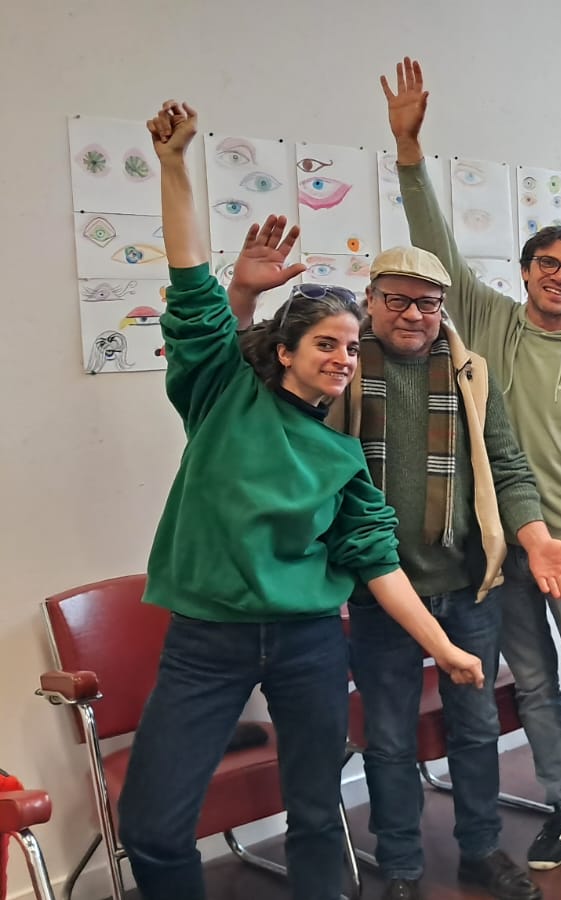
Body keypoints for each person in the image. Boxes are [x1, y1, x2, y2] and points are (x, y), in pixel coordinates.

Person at [117, 101, 482, 900]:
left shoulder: (342, 457)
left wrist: (445, 650)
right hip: (206, 642)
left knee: (317, 814)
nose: (344, 358)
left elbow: (379, 565)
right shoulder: (222, 399)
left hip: (309, 642)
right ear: (284, 351)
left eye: (352, 347)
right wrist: (174, 166)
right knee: (152, 826)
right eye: (327, 344)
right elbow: (190, 289)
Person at [226, 233, 561, 900]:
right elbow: (245, 377)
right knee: (390, 740)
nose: (414, 314)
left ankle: (481, 850)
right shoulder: (337, 368)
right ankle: (400, 868)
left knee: (476, 730)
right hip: (379, 595)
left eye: (428, 302)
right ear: (370, 300)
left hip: (468, 587)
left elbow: (509, 468)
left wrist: (535, 537)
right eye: (397, 300)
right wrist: (243, 295)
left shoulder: (472, 373)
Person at [384, 60, 561, 885]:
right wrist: (410, 153)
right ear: (526, 271)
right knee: (536, 689)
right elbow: (434, 246)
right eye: (548, 264)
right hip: (495, 553)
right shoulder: (487, 320)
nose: (560, 277)